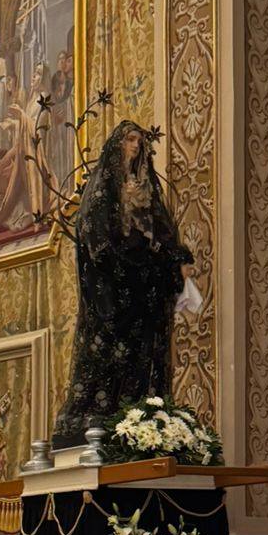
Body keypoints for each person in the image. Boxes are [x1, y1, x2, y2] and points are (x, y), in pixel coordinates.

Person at [52, 121, 193, 445]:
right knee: (108, 360)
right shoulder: (103, 192)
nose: (136, 145)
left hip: (145, 296)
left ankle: (142, 422)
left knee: (144, 360)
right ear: (117, 145)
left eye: (140, 141)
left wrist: (173, 260)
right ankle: (105, 420)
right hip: (114, 296)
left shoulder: (147, 189)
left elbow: (163, 235)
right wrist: (136, 253)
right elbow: (98, 243)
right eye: (130, 139)